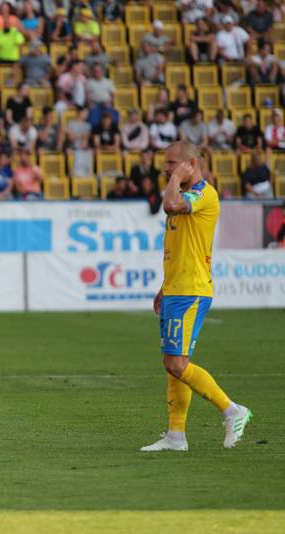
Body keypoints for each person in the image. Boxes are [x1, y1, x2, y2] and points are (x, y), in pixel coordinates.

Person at [141, 140, 251, 453]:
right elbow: (180, 248)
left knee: (176, 364)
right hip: (177, 289)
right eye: (165, 165)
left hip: (192, 291)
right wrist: (165, 286)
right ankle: (176, 436)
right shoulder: (183, 193)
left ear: (191, 164)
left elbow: (170, 205)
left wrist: (176, 178)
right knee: (173, 363)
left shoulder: (204, 193)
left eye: (172, 163)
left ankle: (232, 410)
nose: (165, 170)